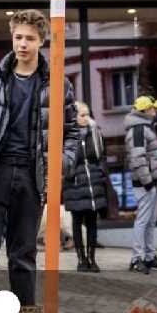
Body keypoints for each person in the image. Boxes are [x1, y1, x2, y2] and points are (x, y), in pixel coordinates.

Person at [0, 9, 76, 305]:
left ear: (41, 41)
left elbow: (72, 131)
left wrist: (62, 163)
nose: (23, 44)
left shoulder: (58, 84)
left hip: (31, 175)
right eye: (18, 37)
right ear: (12, 37)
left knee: (23, 255)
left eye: (30, 38)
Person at [124, 96, 157, 274]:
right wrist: (148, 181)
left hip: (151, 182)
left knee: (149, 221)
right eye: (153, 108)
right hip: (146, 183)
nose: (155, 111)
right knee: (143, 221)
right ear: (144, 110)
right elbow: (138, 158)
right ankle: (137, 258)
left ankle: (149, 257)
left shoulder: (143, 128)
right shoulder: (138, 130)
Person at [65, 101, 107, 273]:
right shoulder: (67, 135)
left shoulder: (95, 133)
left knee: (92, 221)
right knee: (76, 222)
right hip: (75, 183)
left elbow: (102, 156)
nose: (86, 118)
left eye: (87, 114)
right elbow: (65, 160)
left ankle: (92, 258)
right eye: (82, 115)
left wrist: (101, 172)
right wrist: (71, 174)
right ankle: (81, 259)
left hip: (93, 183)